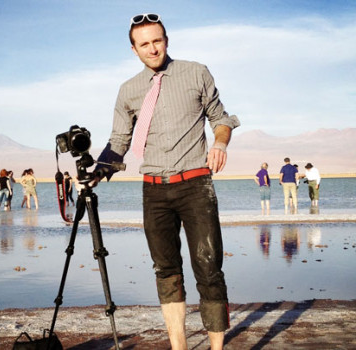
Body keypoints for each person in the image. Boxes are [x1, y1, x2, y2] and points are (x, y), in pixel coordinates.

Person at [91, 13, 240, 350]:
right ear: (134, 49)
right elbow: (119, 142)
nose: (152, 48)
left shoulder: (196, 72)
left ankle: (217, 347)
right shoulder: (128, 91)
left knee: (209, 268)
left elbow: (222, 119)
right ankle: (179, 346)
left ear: (166, 40)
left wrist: (219, 142)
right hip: (154, 190)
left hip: (195, 186)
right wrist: (97, 172)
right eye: (144, 44)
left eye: (157, 40)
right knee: (166, 270)